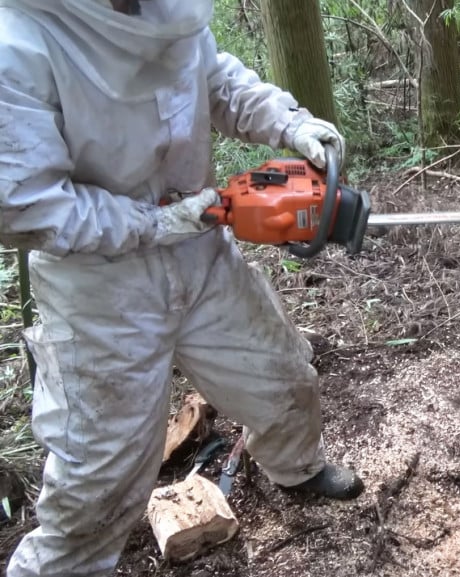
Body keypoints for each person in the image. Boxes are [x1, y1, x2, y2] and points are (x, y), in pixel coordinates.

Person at [0, 1, 365, 575]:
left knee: (282, 377)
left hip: (200, 251)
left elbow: (215, 79)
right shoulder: (19, 42)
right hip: (100, 291)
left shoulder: (169, 13)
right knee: (100, 474)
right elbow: (24, 207)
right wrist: (150, 224)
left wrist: (286, 119)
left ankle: (297, 468)